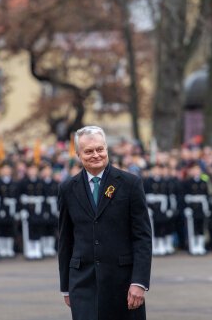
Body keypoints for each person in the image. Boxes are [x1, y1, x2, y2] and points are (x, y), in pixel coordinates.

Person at [58, 126, 152, 320]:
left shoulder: (130, 184)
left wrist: (139, 282)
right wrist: (65, 287)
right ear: (78, 154)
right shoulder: (68, 188)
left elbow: (142, 237)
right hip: (83, 283)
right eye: (89, 151)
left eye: (100, 149)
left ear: (107, 149)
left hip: (123, 283)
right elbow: (65, 239)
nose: (96, 155)